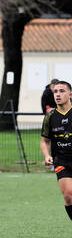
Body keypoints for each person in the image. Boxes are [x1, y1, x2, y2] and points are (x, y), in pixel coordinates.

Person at [40, 80, 72, 226]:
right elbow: (44, 141)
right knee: (68, 195)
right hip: (62, 161)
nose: (58, 95)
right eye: (56, 92)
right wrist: (47, 156)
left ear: (70, 94)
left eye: (62, 91)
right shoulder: (50, 117)